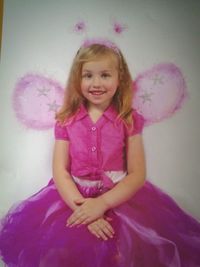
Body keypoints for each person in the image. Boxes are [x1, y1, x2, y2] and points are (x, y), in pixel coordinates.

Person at [0, 38, 200, 267]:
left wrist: (101, 204)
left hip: (119, 197)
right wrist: (86, 211)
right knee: (65, 251)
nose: (96, 83)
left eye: (105, 75)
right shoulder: (66, 120)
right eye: (88, 75)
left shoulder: (129, 119)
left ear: (119, 78)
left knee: (123, 253)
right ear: (78, 78)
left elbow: (137, 174)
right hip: (72, 197)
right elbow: (60, 171)